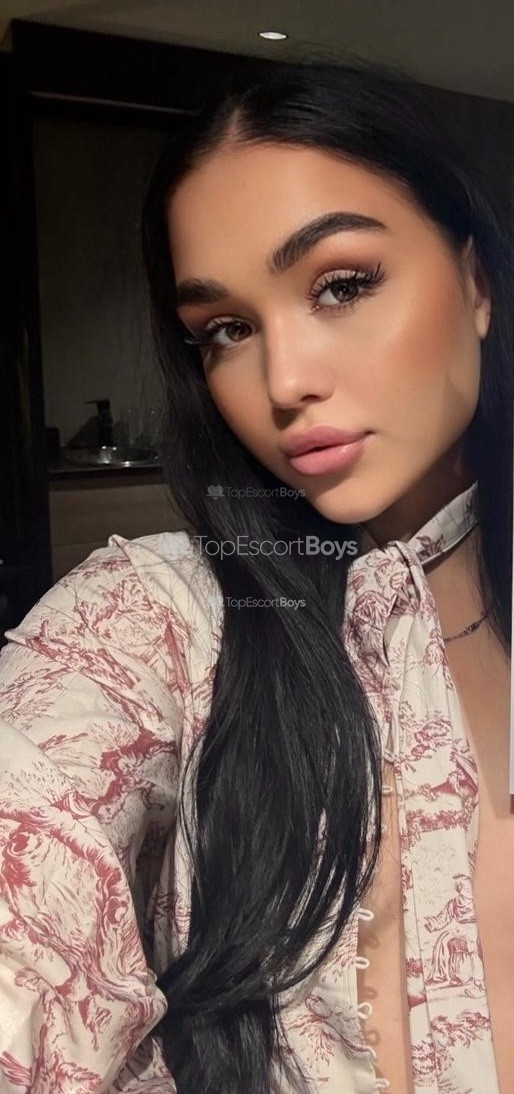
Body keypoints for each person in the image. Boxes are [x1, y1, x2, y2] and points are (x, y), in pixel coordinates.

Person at [0, 55, 512, 1094]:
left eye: (341, 285)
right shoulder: (157, 620)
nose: (284, 381)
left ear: (475, 283)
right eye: (225, 330)